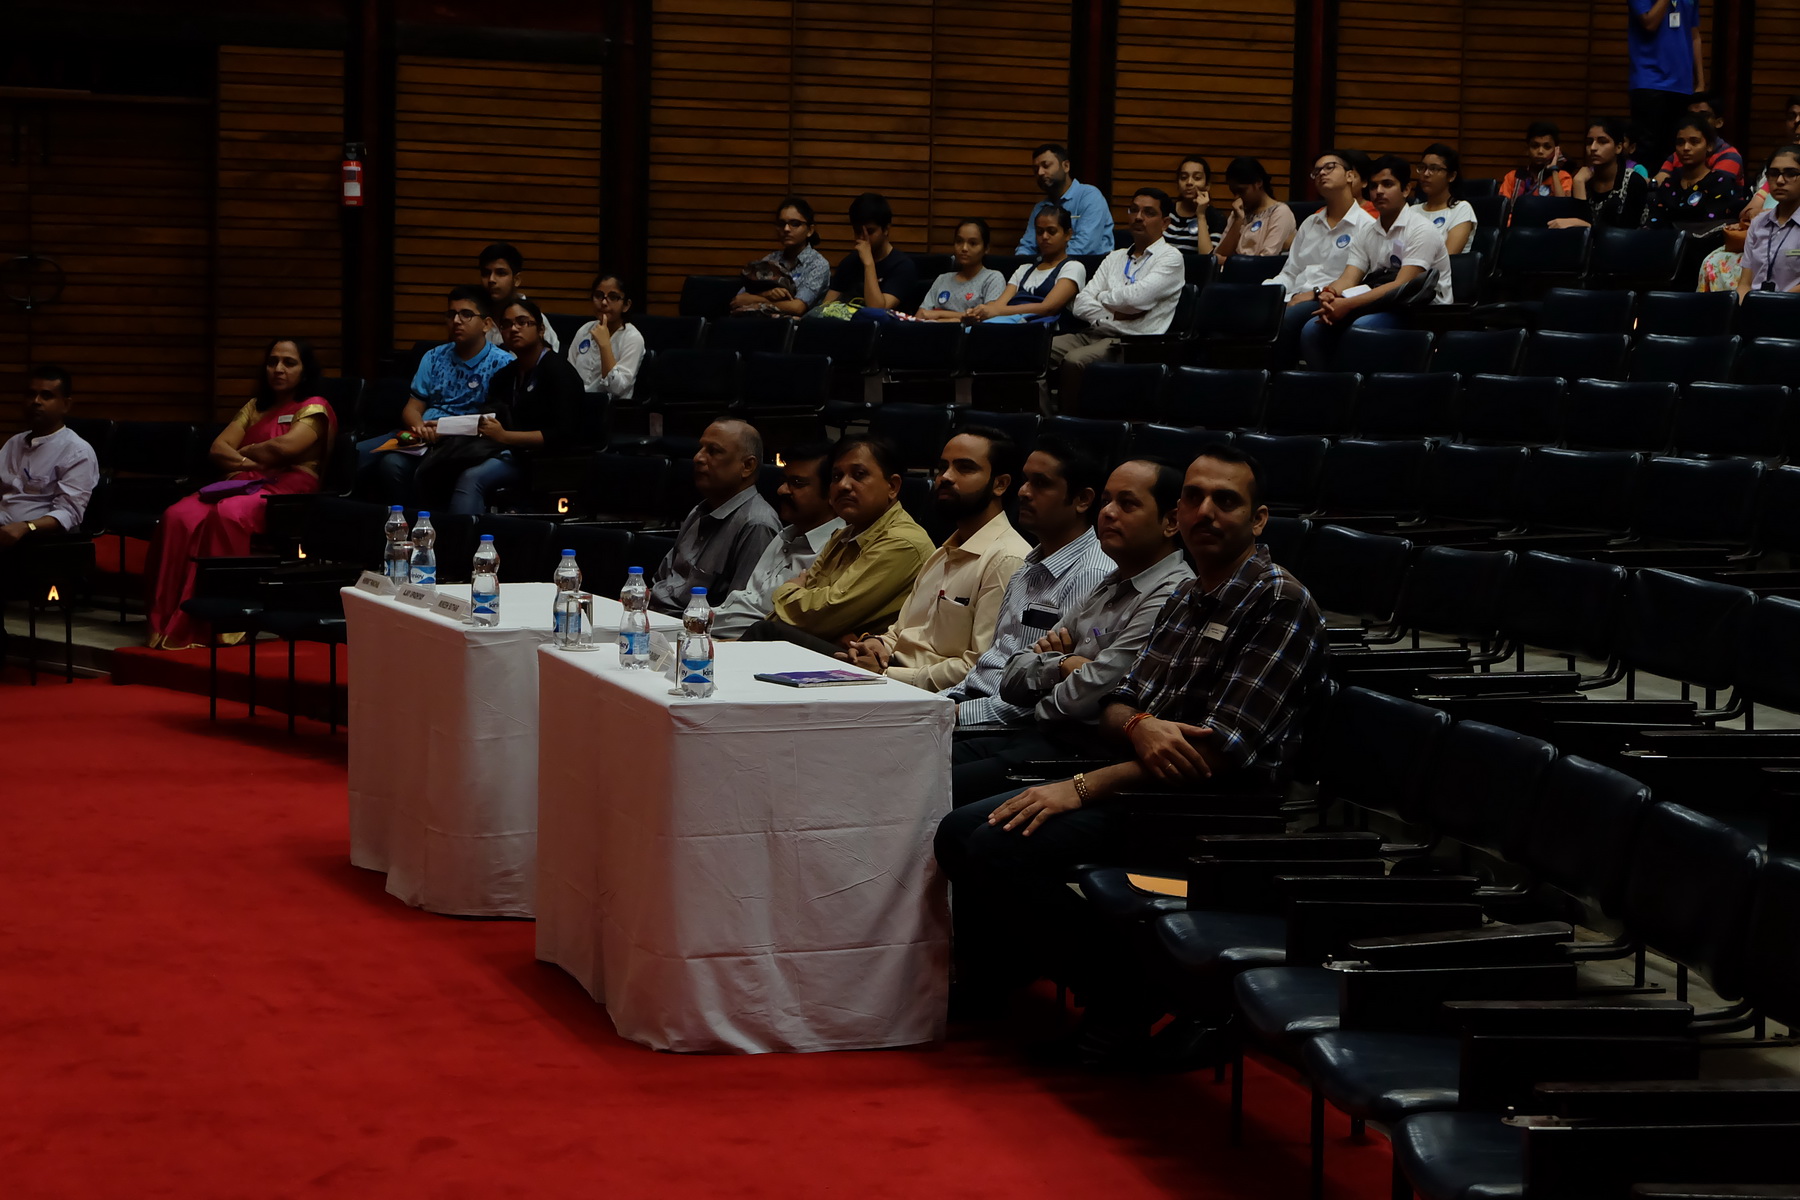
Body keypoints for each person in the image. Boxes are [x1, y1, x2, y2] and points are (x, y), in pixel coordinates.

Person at [933, 444, 1328, 1059]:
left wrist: (1082, 785)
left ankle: (1126, 996)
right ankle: (1016, 976)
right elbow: (1119, 703)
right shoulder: (1189, 593)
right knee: (958, 830)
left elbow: (1215, 753)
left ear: (1257, 519)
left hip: (1213, 809)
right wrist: (1141, 724)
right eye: (1193, 497)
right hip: (1144, 781)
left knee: (994, 843)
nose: (1205, 511)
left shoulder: (1277, 599)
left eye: (1225, 500)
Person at [951, 457, 1193, 806]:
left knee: (943, 798)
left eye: (1127, 504)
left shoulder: (1171, 593)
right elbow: (1012, 677)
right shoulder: (1109, 583)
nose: (1108, 513)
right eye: (1106, 501)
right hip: (1043, 738)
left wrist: (1049, 675)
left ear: (1170, 521)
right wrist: (1065, 664)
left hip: (1083, 756)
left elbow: (1092, 694)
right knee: (919, 768)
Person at [146, 339, 335, 648]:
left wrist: (245, 451)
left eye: (289, 363)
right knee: (177, 515)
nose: (278, 369)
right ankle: (167, 619)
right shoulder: (255, 406)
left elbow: (287, 447)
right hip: (245, 481)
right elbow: (218, 449)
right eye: (272, 362)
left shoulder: (314, 407)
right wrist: (252, 462)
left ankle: (229, 623)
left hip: (290, 489)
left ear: (305, 370)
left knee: (230, 512)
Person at [838, 429, 1030, 693]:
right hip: (894, 679)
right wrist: (877, 645)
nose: (945, 477)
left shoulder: (1007, 559)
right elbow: (901, 632)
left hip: (930, 697)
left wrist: (885, 673)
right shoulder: (942, 553)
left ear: (1000, 484)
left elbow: (980, 667)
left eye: (964, 468)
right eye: (943, 467)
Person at [942, 435, 1114, 725]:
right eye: (1025, 480)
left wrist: (958, 715)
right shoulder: (1027, 567)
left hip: (1004, 725)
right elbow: (988, 667)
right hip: (970, 702)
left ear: (1083, 500)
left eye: (1041, 483)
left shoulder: (1091, 575)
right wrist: (939, 704)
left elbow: (1054, 696)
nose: (1023, 492)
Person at [748, 435, 935, 652]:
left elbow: (822, 614)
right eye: (836, 476)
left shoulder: (902, 542)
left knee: (765, 632)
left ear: (892, 486)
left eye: (859, 475)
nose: (843, 485)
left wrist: (786, 590)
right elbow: (805, 616)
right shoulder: (844, 534)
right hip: (829, 649)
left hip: (868, 662)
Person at [420, 297, 582, 516]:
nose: (513, 329)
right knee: (439, 467)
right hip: (506, 451)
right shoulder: (505, 375)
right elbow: (487, 420)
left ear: (541, 329)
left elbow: (563, 435)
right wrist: (443, 428)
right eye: (506, 324)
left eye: (522, 322)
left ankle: (466, 537)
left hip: (545, 460)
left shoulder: (560, 372)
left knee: (472, 478)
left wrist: (505, 437)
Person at [356, 286, 512, 505]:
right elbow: (412, 407)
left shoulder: (503, 363)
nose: (456, 321)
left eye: (466, 314)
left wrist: (443, 430)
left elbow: (495, 420)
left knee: (392, 463)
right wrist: (419, 427)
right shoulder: (433, 356)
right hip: (423, 436)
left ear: (486, 324)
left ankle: (422, 519)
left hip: (464, 442)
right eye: (451, 314)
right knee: (358, 453)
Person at [1300, 155, 1452, 369]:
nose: (1379, 191)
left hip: (1420, 310)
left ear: (1406, 190)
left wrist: (1347, 304)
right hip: (1381, 303)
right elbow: (1349, 278)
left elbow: (1402, 285)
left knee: (1362, 328)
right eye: (1373, 186)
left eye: (1387, 184)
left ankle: (1357, 385)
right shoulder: (1367, 231)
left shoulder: (1422, 229)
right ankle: (1332, 385)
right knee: (1312, 330)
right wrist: (1330, 293)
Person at [1050, 188, 1185, 412]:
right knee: (1037, 349)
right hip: (1093, 332)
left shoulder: (1171, 258)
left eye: (1148, 212)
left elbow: (1136, 299)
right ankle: (1040, 417)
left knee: (1075, 361)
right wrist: (1114, 312)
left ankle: (1069, 424)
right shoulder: (1115, 257)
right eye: (1134, 210)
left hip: (1128, 343)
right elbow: (1081, 303)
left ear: (1165, 223)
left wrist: (1102, 297)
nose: (1138, 217)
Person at [710, 442, 844, 639]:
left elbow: (786, 630)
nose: (782, 490)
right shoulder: (785, 535)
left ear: (832, 493)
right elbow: (748, 603)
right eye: (784, 481)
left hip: (748, 645)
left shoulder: (837, 551)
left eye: (797, 483)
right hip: (714, 630)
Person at [647, 419, 782, 615]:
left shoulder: (757, 525)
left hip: (690, 628)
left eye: (713, 451)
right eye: (701, 448)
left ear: (747, 465)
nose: (698, 458)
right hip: (655, 616)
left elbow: (739, 614)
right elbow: (661, 580)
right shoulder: (700, 510)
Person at [1267, 149, 1375, 368]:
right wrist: (1268, 292)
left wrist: (1315, 293)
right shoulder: (1310, 223)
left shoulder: (1367, 226)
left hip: (1329, 300)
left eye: (1329, 167)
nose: (1322, 173)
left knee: (1286, 320)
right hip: (1294, 296)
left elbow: (1361, 282)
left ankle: (1280, 381)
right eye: (1316, 171)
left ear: (1350, 175)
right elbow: (1290, 272)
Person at [0, 365, 99, 553]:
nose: (36, 401)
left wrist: (26, 527)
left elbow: (68, 513)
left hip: (41, 541)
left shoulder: (77, 451)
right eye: (31, 395)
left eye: (46, 396)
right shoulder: (14, 442)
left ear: (66, 405)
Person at [965, 206, 1087, 328]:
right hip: (1010, 326)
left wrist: (997, 311)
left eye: (1051, 231)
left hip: (1043, 332)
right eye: (1039, 232)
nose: (1044, 236)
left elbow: (1048, 308)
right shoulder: (1023, 269)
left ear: (1068, 234)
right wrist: (979, 312)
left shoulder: (1073, 267)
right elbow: (998, 305)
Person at [813, 192, 918, 316]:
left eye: (870, 231)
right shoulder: (849, 262)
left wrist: (869, 264)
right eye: (858, 232)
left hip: (888, 327)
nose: (863, 238)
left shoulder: (902, 266)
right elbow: (824, 309)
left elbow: (877, 311)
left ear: (886, 229)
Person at [1628, 0, 1703, 174]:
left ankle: (1669, 190)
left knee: (1678, 151)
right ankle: (1645, 190)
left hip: (1682, 85)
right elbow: (1650, 23)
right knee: (1647, 151)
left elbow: (1694, 35)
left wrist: (1700, 82)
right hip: (1649, 81)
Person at [728, 196, 832, 318]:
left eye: (794, 224)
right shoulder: (770, 260)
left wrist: (758, 300)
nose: (786, 229)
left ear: (810, 230)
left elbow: (797, 308)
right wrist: (767, 294)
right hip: (759, 323)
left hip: (796, 327)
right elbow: (739, 300)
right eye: (782, 224)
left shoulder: (818, 264)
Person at [1549, 119, 1652, 231]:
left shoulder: (1633, 181)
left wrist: (1587, 227)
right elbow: (1577, 231)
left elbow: (1627, 233)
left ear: (1618, 147)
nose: (1593, 148)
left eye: (1602, 142)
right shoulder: (1583, 179)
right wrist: (1579, 184)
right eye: (1589, 142)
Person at [1014, 143, 1114, 257]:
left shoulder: (1089, 196)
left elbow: (1084, 246)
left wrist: (1049, 263)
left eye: (1046, 166)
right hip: (1048, 265)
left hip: (1090, 265)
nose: (1040, 173)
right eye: (1036, 169)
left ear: (1066, 166)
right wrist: (1021, 263)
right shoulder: (1040, 208)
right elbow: (1027, 246)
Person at [1648, 116, 1746, 226]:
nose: (1686, 148)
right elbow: (1654, 224)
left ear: (1709, 146)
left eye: (1694, 142)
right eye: (1680, 143)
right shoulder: (1668, 186)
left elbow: (1715, 226)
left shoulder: (1720, 182)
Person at [567, 271, 645, 400]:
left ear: (626, 305)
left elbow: (617, 389)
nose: (603, 302)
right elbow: (568, 375)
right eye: (599, 296)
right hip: (577, 402)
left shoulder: (632, 338)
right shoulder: (585, 330)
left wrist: (605, 346)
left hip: (611, 407)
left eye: (613, 297)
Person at [1736, 146, 1800, 301]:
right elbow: (1744, 284)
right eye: (1773, 173)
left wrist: (1773, 305)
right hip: (1756, 307)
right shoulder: (1758, 223)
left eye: (1790, 174)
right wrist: (1743, 307)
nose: (1780, 181)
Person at [916, 219, 1006, 321]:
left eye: (973, 243)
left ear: (986, 248)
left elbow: (989, 317)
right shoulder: (942, 279)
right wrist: (957, 319)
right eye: (959, 241)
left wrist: (938, 314)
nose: (964, 248)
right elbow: (920, 316)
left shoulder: (992, 278)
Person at [476, 242, 560, 352]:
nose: (491, 279)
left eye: (501, 273)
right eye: (486, 273)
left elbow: (551, 360)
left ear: (516, 280)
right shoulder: (473, 319)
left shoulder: (534, 319)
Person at [1213, 157, 1296, 264]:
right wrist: (1238, 221)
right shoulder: (1238, 212)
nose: (1237, 198)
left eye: (1241, 191)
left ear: (1258, 183)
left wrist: (1227, 262)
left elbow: (1266, 260)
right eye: (1233, 192)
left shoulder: (1280, 212)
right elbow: (1217, 257)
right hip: (1231, 272)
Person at [1654, 91, 1742, 183]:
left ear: (1718, 122)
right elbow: (1658, 183)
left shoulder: (1729, 155)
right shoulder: (1680, 153)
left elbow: (1715, 187)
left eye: (1703, 115)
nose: (1696, 121)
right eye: (1692, 115)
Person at [1412, 142, 1478, 254]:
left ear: (1451, 176)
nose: (1426, 174)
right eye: (1422, 168)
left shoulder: (1461, 209)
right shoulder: (1412, 210)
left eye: (1434, 168)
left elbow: (1448, 256)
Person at [1500, 122, 1573, 200]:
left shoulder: (1562, 177)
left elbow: (1563, 205)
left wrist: (1554, 171)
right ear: (1527, 149)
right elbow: (1503, 205)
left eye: (1547, 147)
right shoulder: (1513, 177)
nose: (1540, 151)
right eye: (1535, 146)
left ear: (1556, 150)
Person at [1164, 155, 1213, 254]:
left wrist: (1201, 216)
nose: (1189, 182)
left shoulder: (1215, 218)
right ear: (1177, 183)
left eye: (1197, 178)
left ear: (1207, 185)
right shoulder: (1165, 210)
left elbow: (1207, 258)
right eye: (1183, 177)